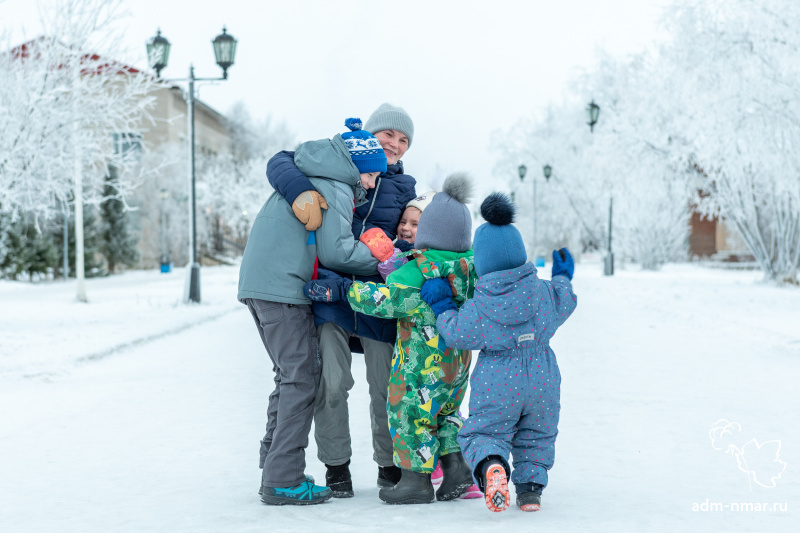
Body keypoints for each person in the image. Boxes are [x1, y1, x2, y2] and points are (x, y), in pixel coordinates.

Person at [265, 103, 417, 497]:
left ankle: (389, 464)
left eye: (403, 140)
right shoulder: (339, 163)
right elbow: (283, 160)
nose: (395, 145)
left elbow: (415, 233)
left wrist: (401, 250)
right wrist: (299, 190)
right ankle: (337, 467)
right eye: (389, 135)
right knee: (332, 383)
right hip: (330, 292)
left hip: (377, 297)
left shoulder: (405, 187)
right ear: (370, 135)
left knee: (385, 386)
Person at [237, 118, 387, 506]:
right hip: (282, 287)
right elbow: (337, 251)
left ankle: (275, 464)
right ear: (357, 167)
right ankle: (282, 478)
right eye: (371, 174)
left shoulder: (314, 171)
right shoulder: (335, 185)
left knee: (290, 374)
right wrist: (384, 261)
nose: (371, 184)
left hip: (262, 283)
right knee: (303, 377)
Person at [305, 173, 479, 505]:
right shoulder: (470, 267)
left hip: (420, 365)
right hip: (457, 365)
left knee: (411, 415)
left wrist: (345, 290)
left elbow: (387, 300)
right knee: (445, 415)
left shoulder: (418, 269)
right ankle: (456, 469)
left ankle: (415, 483)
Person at [420, 192, 577, 513]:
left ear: (483, 263)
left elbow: (455, 333)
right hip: (544, 378)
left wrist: (442, 304)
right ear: (521, 255)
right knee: (537, 434)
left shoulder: (481, 306)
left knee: (485, 431)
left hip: (498, 381)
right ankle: (531, 492)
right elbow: (566, 300)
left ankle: (493, 466)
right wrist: (562, 276)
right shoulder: (545, 293)